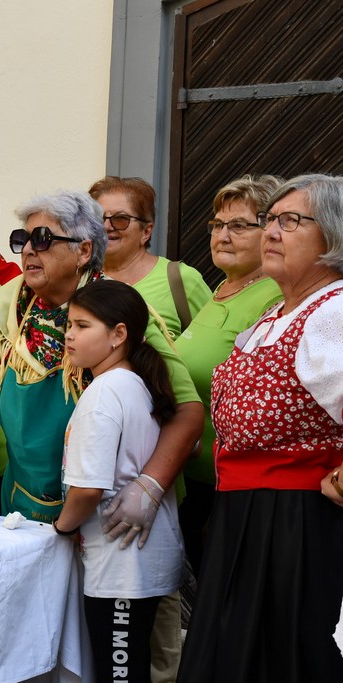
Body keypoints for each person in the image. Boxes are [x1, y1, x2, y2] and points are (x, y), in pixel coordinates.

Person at [0, 190, 202, 527]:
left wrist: (149, 485)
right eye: (24, 239)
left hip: (112, 513)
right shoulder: (2, 309)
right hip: (22, 504)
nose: (30, 250)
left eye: (44, 238)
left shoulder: (123, 312)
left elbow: (187, 411)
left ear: (84, 251)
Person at [179, 174, 343, 681]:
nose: (272, 231)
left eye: (290, 221)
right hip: (244, 515)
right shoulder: (279, 312)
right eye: (271, 220)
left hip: (298, 523)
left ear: (333, 237)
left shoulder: (333, 310)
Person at [55, 279, 184, 683]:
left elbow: (88, 489)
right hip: (133, 565)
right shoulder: (130, 383)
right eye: (68, 325)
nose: (69, 335)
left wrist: (61, 528)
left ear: (118, 334)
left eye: (82, 325)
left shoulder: (105, 394)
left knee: (119, 675)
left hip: (122, 569)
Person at [175, 175, 282, 574]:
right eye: (217, 225)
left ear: (271, 230)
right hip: (191, 478)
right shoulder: (222, 288)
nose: (223, 235)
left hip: (227, 486)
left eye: (238, 225)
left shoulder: (273, 296)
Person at [89, 176, 210, 337]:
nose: (106, 226)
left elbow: (212, 345)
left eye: (121, 219)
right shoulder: (82, 279)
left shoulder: (181, 279)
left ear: (146, 231)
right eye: (99, 219)